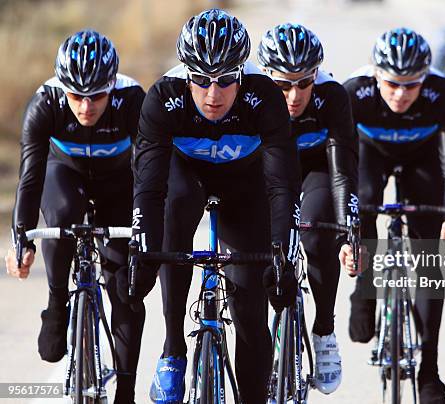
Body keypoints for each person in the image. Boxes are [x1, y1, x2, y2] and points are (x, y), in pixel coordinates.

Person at [125, 9, 301, 404]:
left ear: (241, 74)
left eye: (225, 81)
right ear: (186, 75)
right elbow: (149, 188)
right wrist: (142, 250)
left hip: (246, 185)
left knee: (252, 316)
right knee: (174, 214)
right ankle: (173, 347)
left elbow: (282, 185)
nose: (212, 94)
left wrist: (282, 252)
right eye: (201, 80)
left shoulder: (264, 97)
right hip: (185, 179)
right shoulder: (163, 97)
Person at [5, 30, 146, 403]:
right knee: (61, 217)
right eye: (77, 96)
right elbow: (31, 175)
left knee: (124, 287)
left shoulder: (132, 100)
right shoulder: (45, 101)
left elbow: (149, 176)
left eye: (97, 95)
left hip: (119, 181)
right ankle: (56, 302)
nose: (86, 107)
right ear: (62, 88)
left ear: (112, 86)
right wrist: (21, 238)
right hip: (63, 173)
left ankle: (127, 390)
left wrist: (145, 230)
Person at [344, 28, 445, 403]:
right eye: (392, 84)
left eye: (411, 85)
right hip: (371, 153)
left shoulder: (442, 93)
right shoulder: (355, 93)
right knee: (363, 199)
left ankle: (429, 370)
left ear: (425, 78)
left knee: (430, 259)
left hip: (423, 158)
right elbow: (341, 168)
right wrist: (348, 230)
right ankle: (364, 293)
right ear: (376, 76)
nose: (400, 94)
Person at [257, 22, 359, 394]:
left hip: (316, 169)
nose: (294, 94)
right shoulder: (248, 94)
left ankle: (325, 330)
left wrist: (349, 230)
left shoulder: (332, 96)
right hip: (267, 171)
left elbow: (342, 171)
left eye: (304, 82)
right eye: (282, 84)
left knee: (317, 231)